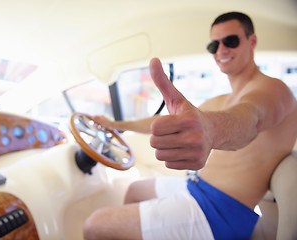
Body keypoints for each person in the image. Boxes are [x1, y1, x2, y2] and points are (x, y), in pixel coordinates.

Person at [83, 12, 297, 240]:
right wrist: (115, 125)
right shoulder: (223, 99)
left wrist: (211, 130)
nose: (221, 50)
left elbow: (250, 118)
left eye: (231, 41)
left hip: (220, 212)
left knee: (94, 225)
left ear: (251, 41)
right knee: (135, 190)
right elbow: (166, 121)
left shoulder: (274, 91)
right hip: (197, 187)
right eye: (214, 45)